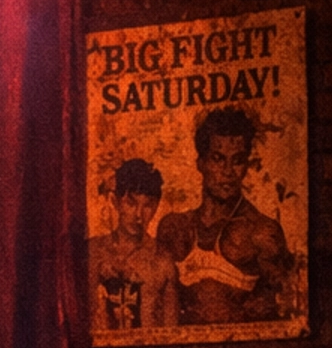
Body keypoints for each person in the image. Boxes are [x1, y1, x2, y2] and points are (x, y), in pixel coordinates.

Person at [155, 106, 291, 326]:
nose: (228, 171)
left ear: (246, 166)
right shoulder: (173, 228)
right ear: (201, 163)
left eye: (237, 160)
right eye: (218, 159)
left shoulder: (262, 232)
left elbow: (282, 313)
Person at [87, 156, 178, 333]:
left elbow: (172, 336)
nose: (138, 215)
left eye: (147, 206)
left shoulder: (163, 263)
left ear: (157, 206)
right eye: (131, 203)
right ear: (115, 202)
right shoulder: (93, 252)